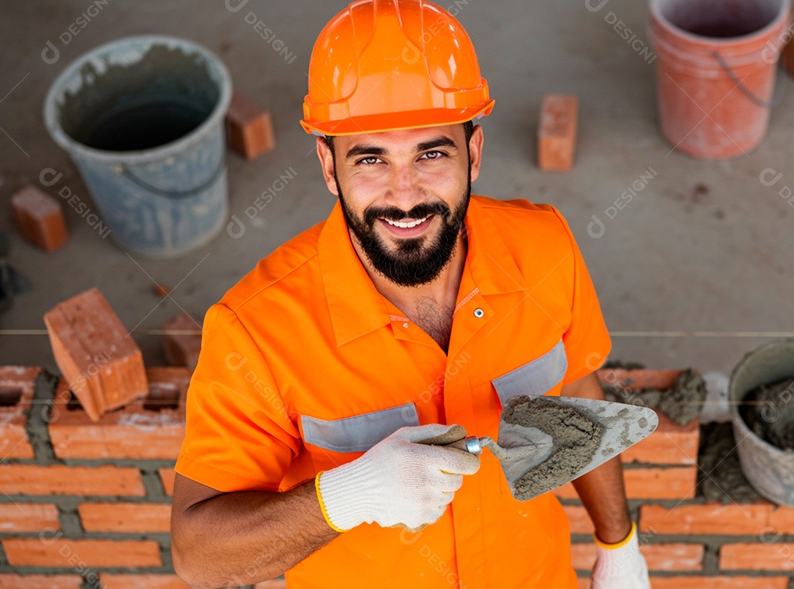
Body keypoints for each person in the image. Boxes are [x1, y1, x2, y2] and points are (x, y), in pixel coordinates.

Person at [170, 1, 650, 587]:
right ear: (328, 166)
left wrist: (618, 546)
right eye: (371, 158)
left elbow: (575, 388)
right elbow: (198, 557)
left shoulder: (544, 249)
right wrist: (347, 496)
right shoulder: (258, 331)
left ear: (473, 152)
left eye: (431, 153)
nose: (404, 195)